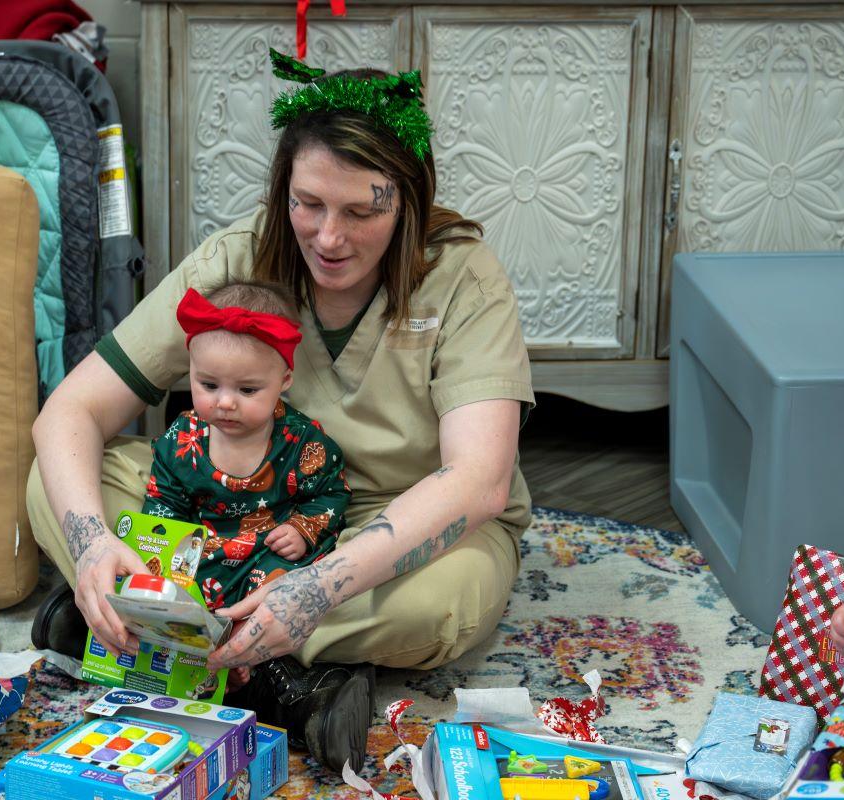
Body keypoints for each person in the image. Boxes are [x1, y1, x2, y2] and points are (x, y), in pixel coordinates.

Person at [29, 48, 534, 772]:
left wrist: (317, 588)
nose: (329, 238)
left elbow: (479, 481)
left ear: (410, 199)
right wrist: (88, 545)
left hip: (396, 530)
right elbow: (69, 412)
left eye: (363, 210)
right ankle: (278, 677)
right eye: (308, 204)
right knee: (57, 481)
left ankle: (143, 627)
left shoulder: (462, 278)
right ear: (281, 189)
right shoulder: (237, 260)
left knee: (451, 597)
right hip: (231, 521)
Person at [143, 282, 351, 613]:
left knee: (289, 585)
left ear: (284, 381)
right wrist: (162, 548)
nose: (225, 402)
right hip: (204, 548)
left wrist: (302, 528)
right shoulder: (182, 439)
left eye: (248, 390)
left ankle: (260, 645)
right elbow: (164, 501)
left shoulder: (301, 441)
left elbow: (331, 493)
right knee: (167, 584)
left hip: (271, 547)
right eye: (208, 385)